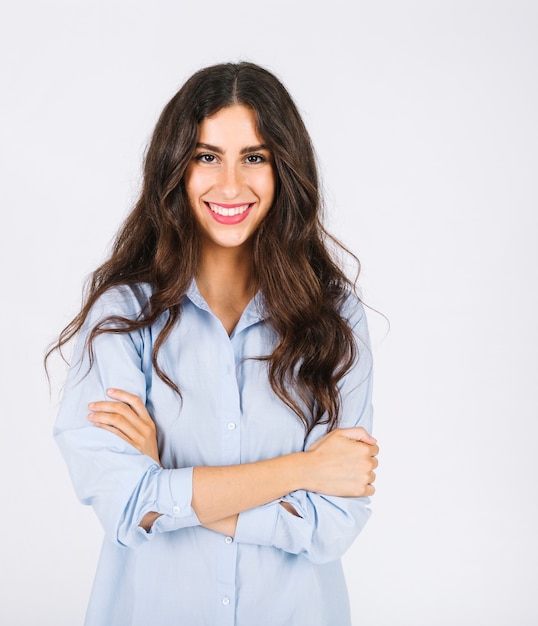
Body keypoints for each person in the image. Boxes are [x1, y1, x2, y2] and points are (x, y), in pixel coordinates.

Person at [50, 61, 379, 626]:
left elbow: (330, 525)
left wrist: (169, 486)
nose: (231, 185)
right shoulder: (123, 317)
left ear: (285, 171)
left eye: (254, 157)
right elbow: (127, 506)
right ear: (175, 169)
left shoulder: (335, 318)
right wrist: (303, 468)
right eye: (207, 157)